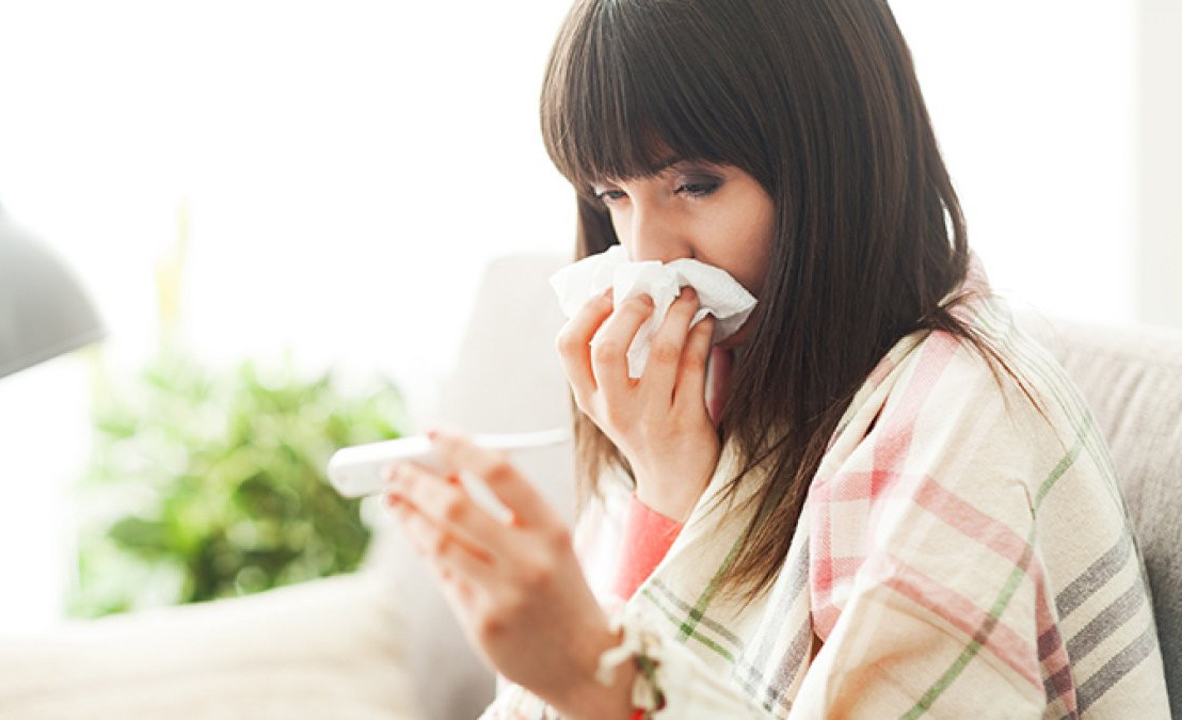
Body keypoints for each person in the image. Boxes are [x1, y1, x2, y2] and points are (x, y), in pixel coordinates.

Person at [383, 0, 1171, 717]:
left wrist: (598, 667)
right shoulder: (700, 396)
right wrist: (668, 491)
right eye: (611, 197)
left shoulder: (962, 419)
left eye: (694, 184)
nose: (644, 256)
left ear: (834, 163)